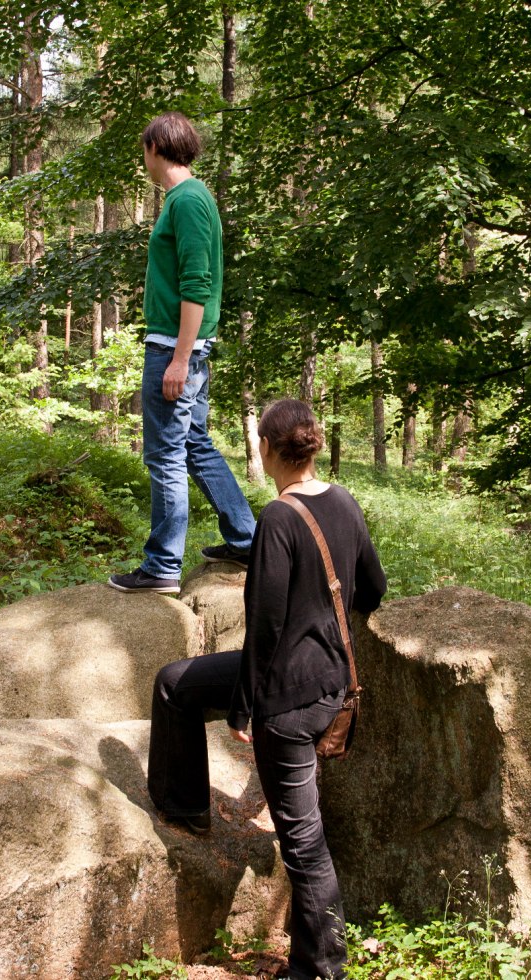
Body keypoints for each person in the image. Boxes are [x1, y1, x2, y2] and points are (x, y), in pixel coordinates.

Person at [147, 398, 387, 980]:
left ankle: (320, 969)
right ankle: (186, 807)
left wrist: (245, 705)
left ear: (268, 450)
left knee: (304, 843)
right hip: (330, 684)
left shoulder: (278, 519)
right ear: (315, 446)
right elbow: (373, 591)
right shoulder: (344, 502)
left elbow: (268, 625)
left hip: (286, 698)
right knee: (176, 683)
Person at [108, 111, 257, 594]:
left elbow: (198, 283)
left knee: (165, 455)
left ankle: (162, 566)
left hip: (176, 347)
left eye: (143, 150)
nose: (143, 160)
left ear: (156, 147)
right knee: (193, 444)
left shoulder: (188, 200)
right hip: (183, 346)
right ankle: (247, 540)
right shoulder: (189, 198)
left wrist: (179, 357)